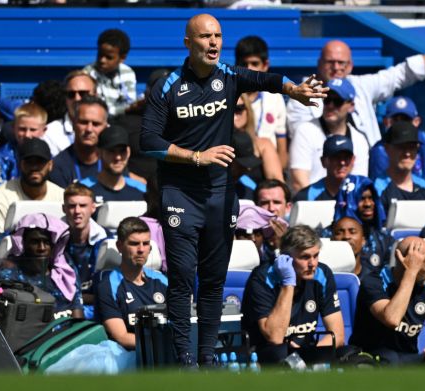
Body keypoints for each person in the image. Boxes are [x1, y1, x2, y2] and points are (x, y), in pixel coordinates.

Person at [138, 13, 328, 367]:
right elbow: (148, 141)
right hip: (180, 194)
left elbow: (267, 79)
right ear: (187, 42)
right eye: (205, 36)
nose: (213, 43)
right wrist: (198, 156)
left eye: (218, 36)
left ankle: (207, 359)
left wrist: (295, 90)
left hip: (220, 194)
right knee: (181, 278)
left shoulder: (228, 76)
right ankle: (184, 359)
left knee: (213, 281)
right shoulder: (167, 85)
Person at [286, 40, 425, 145]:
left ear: (350, 66)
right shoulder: (302, 94)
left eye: (341, 63)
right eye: (330, 62)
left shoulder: (360, 85)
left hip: (367, 168)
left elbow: (400, 74)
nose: (336, 67)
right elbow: (302, 139)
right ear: (319, 64)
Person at [349, 237, 425, 365]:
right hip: (372, 357)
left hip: (408, 358)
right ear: (404, 263)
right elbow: (392, 319)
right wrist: (411, 272)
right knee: (390, 358)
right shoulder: (374, 282)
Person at [241, 225, 344, 364]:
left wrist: (307, 356)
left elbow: (337, 335)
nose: (312, 264)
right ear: (286, 259)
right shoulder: (262, 278)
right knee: (280, 353)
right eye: (305, 257)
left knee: (349, 353)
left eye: (316, 255)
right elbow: (275, 337)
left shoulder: (322, 274)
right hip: (267, 355)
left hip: (304, 351)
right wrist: (288, 283)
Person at [0, 213, 83, 319]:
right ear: (23, 244)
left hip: (67, 333)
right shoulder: (10, 275)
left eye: (46, 242)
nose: (42, 248)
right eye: (35, 242)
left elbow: (77, 315)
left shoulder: (65, 273)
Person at [94, 217, 168, 350]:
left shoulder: (162, 281)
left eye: (145, 243)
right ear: (119, 246)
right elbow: (121, 336)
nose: (141, 249)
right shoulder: (108, 285)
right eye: (134, 244)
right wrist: (160, 345)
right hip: (127, 356)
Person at [289, 78, 370, 191]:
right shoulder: (305, 131)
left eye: (337, 101)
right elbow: (299, 182)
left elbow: (359, 184)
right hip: (311, 204)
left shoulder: (359, 140)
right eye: (327, 100)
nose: (330, 105)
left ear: (351, 106)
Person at [0, 138, 64, 236]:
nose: (34, 167)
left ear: (50, 165)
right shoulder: (1, 196)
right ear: (20, 164)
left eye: (40, 162)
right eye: (29, 162)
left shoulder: (61, 197)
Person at [235, 35, 288, 167]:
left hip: (267, 169)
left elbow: (282, 147)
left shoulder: (275, 98)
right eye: (244, 64)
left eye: (254, 63)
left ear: (265, 65)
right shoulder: (229, 95)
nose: (249, 69)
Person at [62, 182, 109, 317]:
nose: (77, 211)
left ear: (93, 208)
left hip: (98, 308)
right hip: (62, 308)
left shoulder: (105, 241)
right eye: (72, 206)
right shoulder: (52, 241)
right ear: (63, 208)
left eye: (83, 206)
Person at [374, 121, 425, 212]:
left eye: (412, 147)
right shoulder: (377, 189)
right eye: (401, 147)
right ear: (387, 148)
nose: (407, 153)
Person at [330, 175, 392, 274]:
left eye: (371, 198)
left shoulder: (384, 239)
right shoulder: (327, 237)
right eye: (361, 199)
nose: (368, 204)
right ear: (348, 200)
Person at [49, 95, 108, 188]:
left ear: (105, 127)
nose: (89, 129)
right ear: (73, 124)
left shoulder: (113, 161)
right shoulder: (58, 166)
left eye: (96, 124)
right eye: (83, 122)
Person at [79, 125, 146, 206]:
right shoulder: (82, 190)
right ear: (98, 153)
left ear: (128, 152)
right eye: (111, 151)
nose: (118, 157)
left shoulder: (142, 190)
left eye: (122, 151)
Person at [0, 102, 48, 188]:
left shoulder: (49, 153)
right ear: (13, 127)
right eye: (22, 129)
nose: (27, 135)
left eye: (33, 130)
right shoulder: (4, 156)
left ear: (44, 130)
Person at [83, 29, 137, 118]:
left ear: (122, 58)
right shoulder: (88, 73)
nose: (102, 60)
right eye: (100, 55)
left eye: (109, 57)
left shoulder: (127, 73)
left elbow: (129, 103)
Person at [43, 71, 98, 157]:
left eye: (83, 93)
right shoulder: (50, 133)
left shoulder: (107, 131)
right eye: (71, 94)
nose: (77, 98)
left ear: (95, 95)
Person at [233, 94, 284, 182]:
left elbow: (277, 185)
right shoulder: (213, 147)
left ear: (248, 111)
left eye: (239, 109)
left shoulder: (264, 145)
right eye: (228, 110)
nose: (233, 115)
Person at [293, 135, 356, 202]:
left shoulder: (362, 192)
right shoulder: (306, 196)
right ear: (323, 161)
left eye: (347, 158)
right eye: (336, 157)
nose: (342, 163)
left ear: (353, 160)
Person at [254, 179, 291, 253]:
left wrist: (284, 243)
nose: (271, 208)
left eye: (277, 202)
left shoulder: (297, 237)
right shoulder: (248, 237)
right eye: (265, 203)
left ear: (288, 207)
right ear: (256, 207)